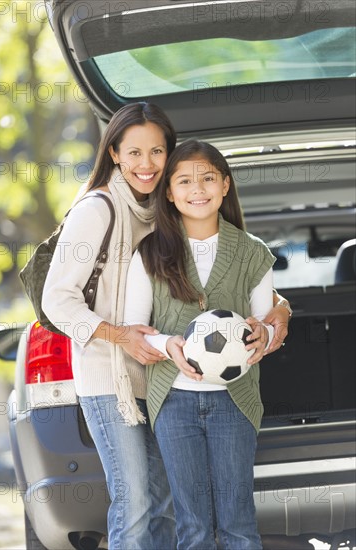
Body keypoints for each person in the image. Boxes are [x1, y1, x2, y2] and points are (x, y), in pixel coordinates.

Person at [42, 102, 290, 548]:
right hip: (110, 376)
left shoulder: (159, 213)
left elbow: (234, 282)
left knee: (161, 505)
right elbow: (57, 299)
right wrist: (121, 336)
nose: (146, 163)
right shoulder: (98, 209)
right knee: (136, 502)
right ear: (114, 153)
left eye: (157, 151)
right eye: (134, 152)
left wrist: (281, 310)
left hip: (156, 376)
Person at [124, 140, 280, 549]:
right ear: (170, 193)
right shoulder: (150, 253)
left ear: (225, 186)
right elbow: (134, 328)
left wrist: (266, 334)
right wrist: (168, 343)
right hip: (174, 402)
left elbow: (268, 323)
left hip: (235, 401)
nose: (198, 188)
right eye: (185, 180)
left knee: (238, 523)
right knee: (192, 525)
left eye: (208, 178)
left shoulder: (251, 252)